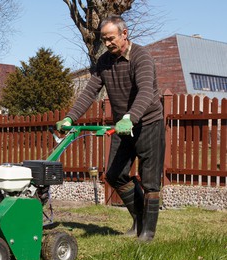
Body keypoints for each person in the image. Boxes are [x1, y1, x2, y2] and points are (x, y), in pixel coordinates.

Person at [56, 15, 165, 242]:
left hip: (148, 123)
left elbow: (146, 91)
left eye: (111, 38)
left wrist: (130, 117)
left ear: (124, 34)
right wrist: (70, 117)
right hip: (122, 127)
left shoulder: (141, 57)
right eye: (104, 39)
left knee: (150, 180)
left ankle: (148, 232)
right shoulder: (104, 62)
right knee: (115, 174)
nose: (107, 43)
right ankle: (139, 219)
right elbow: (89, 92)